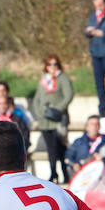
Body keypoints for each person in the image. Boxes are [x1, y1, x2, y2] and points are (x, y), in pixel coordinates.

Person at [31, 55, 74, 184]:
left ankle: (62, 172)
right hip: (45, 120)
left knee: (59, 147)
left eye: (55, 64)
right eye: (49, 64)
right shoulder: (44, 80)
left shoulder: (63, 78)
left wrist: (56, 110)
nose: (52, 67)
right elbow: (37, 98)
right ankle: (53, 172)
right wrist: (40, 112)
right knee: (51, 147)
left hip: (58, 119)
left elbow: (68, 96)